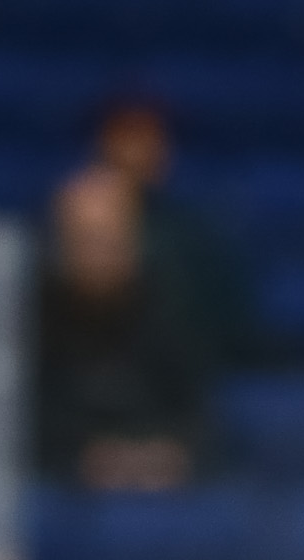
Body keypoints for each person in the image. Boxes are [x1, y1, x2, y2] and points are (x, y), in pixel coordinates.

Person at [36, 162, 206, 489]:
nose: (98, 254)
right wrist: (84, 455)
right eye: (85, 239)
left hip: (165, 489)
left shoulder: (171, 310)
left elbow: (198, 415)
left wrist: (164, 455)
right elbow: (26, 423)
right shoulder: (31, 318)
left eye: (109, 239)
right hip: (57, 488)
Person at [94, 97, 256, 367]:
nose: (137, 152)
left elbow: (227, 324)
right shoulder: (59, 229)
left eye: (150, 139)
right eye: (127, 137)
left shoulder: (192, 238)